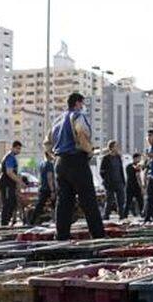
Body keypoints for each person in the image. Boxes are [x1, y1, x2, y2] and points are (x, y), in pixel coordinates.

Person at [44, 92, 106, 239]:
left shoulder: (57, 121)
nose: (83, 107)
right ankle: (98, 235)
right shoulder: (77, 116)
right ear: (78, 103)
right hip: (76, 161)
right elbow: (82, 133)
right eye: (82, 104)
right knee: (88, 200)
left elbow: (46, 144)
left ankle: (61, 236)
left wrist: (54, 157)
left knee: (64, 202)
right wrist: (89, 151)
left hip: (60, 163)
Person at [0, 142, 25, 226]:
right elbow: (9, 172)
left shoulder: (12, 157)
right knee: (7, 204)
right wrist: (19, 181)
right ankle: (4, 224)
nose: (19, 151)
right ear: (13, 148)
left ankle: (7, 222)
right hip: (6, 184)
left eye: (20, 149)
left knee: (13, 203)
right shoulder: (10, 157)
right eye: (17, 148)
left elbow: (14, 172)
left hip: (10, 184)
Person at [100, 141, 127, 220]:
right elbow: (102, 171)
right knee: (109, 200)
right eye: (116, 146)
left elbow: (121, 169)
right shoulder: (106, 158)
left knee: (121, 201)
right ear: (111, 148)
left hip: (119, 182)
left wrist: (123, 181)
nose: (117, 148)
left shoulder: (118, 157)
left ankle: (121, 216)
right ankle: (106, 216)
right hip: (110, 184)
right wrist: (106, 180)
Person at [29, 151, 56, 225]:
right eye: (52, 154)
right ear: (49, 155)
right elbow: (49, 178)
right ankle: (57, 220)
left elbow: (40, 177)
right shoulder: (50, 164)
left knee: (39, 206)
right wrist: (52, 190)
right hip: (48, 188)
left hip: (42, 188)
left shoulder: (41, 164)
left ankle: (32, 221)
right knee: (56, 204)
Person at [126, 152, 145, 218]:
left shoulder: (128, 166)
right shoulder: (137, 167)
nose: (140, 160)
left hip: (129, 186)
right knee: (140, 202)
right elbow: (138, 177)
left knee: (128, 202)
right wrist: (142, 188)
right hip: (135, 187)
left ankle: (124, 216)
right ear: (135, 158)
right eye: (139, 158)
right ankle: (142, 215)